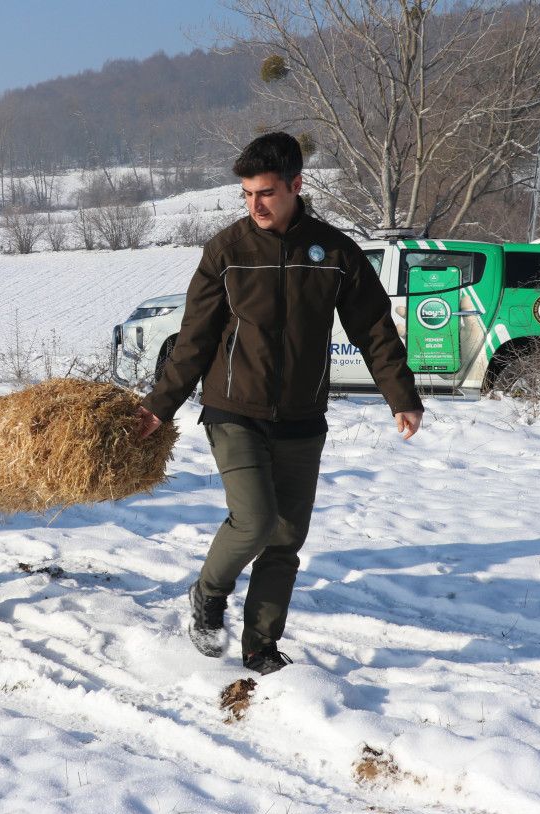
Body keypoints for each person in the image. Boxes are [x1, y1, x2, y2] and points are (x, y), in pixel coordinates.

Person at [136, 132, 423, 675]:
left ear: (297, 185)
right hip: (233, 410)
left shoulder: (336, 252)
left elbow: (374, 329)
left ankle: (260, 647)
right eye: (246, 194)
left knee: (286, 539)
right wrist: (160, 405)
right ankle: (208, 595)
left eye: (265, 192)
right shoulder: (228, 251)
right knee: (255, 520)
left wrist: (400, 396)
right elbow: (193, 337)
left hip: (301, 417)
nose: (255, 205)